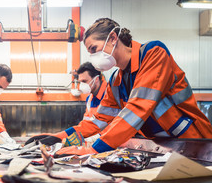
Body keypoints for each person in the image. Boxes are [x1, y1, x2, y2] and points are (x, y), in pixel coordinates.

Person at [27, 17, 212, 155]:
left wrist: (93, 149)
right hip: (163, 147)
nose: (92, 57)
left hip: (194, 143)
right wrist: (58, 137)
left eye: (93, 49)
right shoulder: (117, 80)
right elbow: (96, 122)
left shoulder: (154, 53)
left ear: (113, 38)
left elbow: (138, 108)